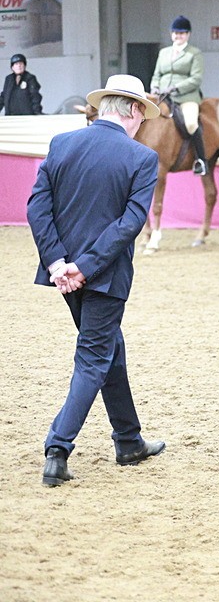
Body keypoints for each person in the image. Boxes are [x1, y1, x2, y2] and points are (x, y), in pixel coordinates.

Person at [27, 74, 166, 487]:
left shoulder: (61, 144)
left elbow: (37, 209)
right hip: (104, 276)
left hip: (65, 276)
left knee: (108, 349)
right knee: (93, 358)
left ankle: (129, 440)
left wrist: (58, 263)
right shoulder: (142, 158)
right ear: (135, 110)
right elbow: (130, 224)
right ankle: (57, 448)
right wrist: (85, 266)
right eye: (143, 115)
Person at [151, 15, 208, 174]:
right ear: (171, 34)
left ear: (188, 35)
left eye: (182, 33)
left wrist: (175, 87)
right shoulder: (164, 52)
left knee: (191, 124)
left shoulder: (194, 53)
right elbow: (156, 74)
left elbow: (196, 79)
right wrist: (154, 87)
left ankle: (200, 160)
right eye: (175, 33)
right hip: (162, 96)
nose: (178, 36)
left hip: (186, 97)